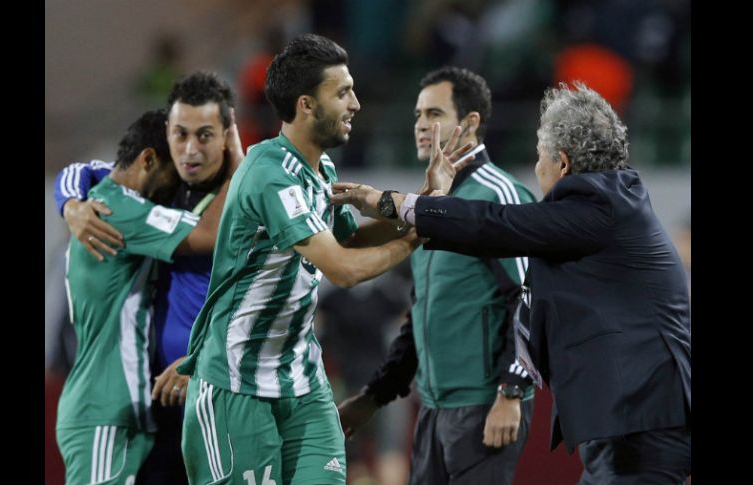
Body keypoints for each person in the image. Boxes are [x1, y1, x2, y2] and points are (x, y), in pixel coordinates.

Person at [333, 82, 692, 484]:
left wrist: (393, 203)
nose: (536, 169)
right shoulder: (600, 212)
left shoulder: (597, 206)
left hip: (642, 419)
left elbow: (495, 226)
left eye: (539, 157)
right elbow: (526, 294)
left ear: (562, 162)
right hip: (626, 418)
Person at [176, 34, 470, 485]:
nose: (355, 103)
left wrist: (424, 205)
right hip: (237, 385)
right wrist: (415, 240)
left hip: (301, 380)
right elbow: (343, 269)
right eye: (342, 92)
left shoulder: (321, 170)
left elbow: (348, 242)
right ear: (306, 105)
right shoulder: (269, 174)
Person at [338, 66, 535, 485]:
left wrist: (511, 392)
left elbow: (530, 296)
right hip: (432, 408)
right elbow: (420, 317)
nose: (422, 126)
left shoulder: (497, 194)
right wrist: (375, 398)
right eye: (417, 116)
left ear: (470, 123)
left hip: (484, 404)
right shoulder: (429, 207)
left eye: (434, 114)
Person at [53, 70, 243, 485]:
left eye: (204, 137)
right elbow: (210, 234)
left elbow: (86, 170)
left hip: (175, 401)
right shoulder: (119, 208)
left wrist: (67, 198)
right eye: (179, 138)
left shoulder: (110, 199)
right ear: (152, 157)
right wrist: (68, 203)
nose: (189, 154)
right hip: (109, 407)